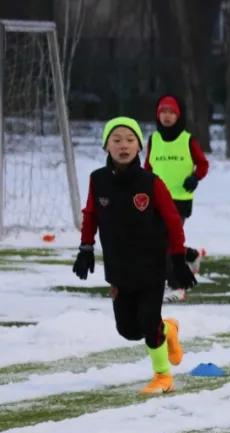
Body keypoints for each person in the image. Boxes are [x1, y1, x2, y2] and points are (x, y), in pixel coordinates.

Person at [72, 117, 198, 395]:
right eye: (116, 140)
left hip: (152, 266)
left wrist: (177, 260)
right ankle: (169, 330)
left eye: (130, 140)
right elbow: (91, 214)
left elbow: (173, 221)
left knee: (149, 322)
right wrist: (85, 248)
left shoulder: (151, 183)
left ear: (139, 146)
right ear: (106, 146)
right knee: (128, 329)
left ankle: (163, 376)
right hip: (119, 268)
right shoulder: (98, 180)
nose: (123, 145)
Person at [144, 94, 209, 302]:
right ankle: (189, 255)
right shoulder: (153, 140)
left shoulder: (187, 140)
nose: (167, 116)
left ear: (178, 115)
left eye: (171, 112)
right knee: (160, 240)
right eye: (163, 111)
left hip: (180, 201)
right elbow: (148, 168)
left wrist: (194, 178)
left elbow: (203, 164)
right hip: (157, 200)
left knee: (168, 241)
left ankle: (177, 285)